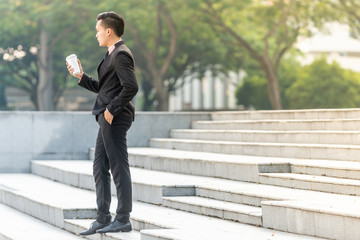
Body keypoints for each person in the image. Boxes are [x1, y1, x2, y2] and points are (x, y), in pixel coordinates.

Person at [66, 11, 138, 235]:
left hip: (115, 117)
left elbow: (131, 87)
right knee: (100, 167)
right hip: (107, 116)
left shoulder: (121, 54)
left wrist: (111, 109)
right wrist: (81, 77)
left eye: (98, 30)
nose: (96, 34)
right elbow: (104, 88)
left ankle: (123, 218)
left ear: (108, 30)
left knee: (118, 166)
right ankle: (103, 218)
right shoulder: (111, 54)